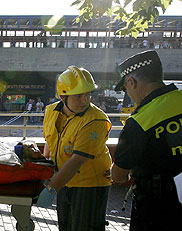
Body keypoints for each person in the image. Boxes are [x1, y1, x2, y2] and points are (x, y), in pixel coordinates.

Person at [111, 50, 182, 231]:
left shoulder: (140, 122)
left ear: (131, 82)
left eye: (126, 88)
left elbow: (119, 175)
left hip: (157, 208)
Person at [42, 66, 112, 231]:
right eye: (78, 95)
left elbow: (78, 160)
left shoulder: (95, 120)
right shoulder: (51, 111)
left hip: (90, 187)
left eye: (88, 94)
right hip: (64, 181)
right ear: (63, 97)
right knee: (65, 226)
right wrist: (45, 163)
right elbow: (49, 140)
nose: (84, 100)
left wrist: (51, 188)